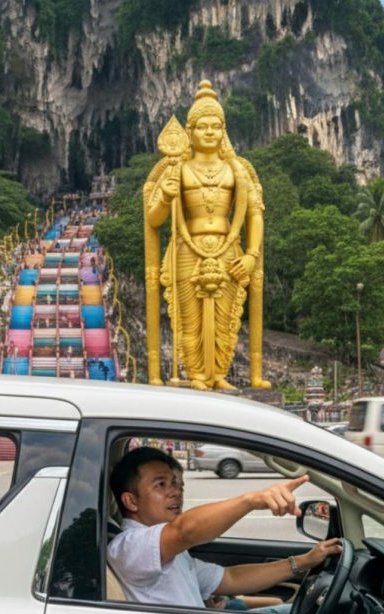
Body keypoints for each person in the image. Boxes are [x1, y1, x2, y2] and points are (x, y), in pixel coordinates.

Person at [143, 80, 270, 390]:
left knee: (227, 319)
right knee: (189, 319)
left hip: (228, 249)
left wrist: (252, 255)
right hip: (188, 248)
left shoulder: (238, 169)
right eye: (203, 127)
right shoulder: (178, 169)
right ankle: (197, 374)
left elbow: (254, 213)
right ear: (190, 131)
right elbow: (154, 219)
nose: (210, 132)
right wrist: (165, 196)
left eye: (216, 126)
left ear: (223, 130)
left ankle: (219, 374)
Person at [107, 447, 341, 612]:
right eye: (161, 484)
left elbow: (231, 578)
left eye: (177, 484)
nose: (175, 492)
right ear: (131, 501)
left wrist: (304, 562)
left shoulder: (168, 552)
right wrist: (253, 500)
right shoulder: (130, 548)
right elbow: (184, 530)